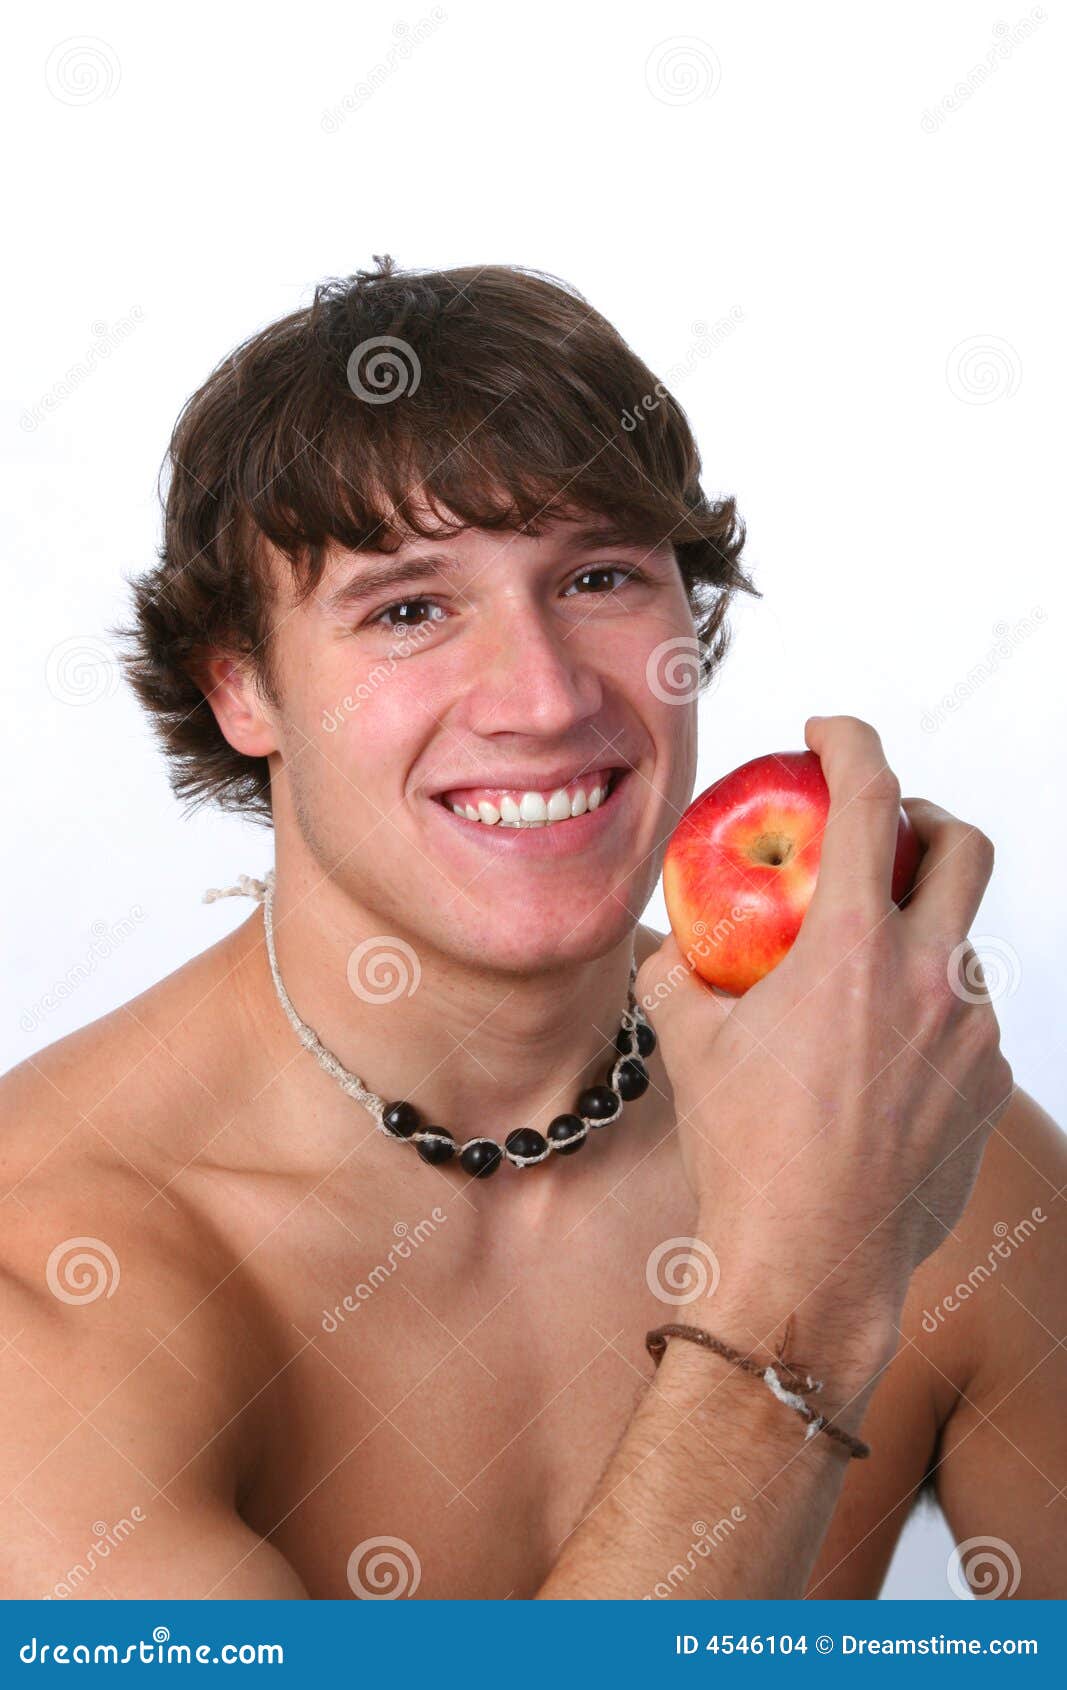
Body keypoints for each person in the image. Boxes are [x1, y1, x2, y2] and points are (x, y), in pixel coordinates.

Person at [1, 258, 1062, 1602]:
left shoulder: (922, 1144)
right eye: (409, 607)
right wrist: (796, 1289)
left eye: (602, 577)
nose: (542, 696)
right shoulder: (43, 1268)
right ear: (242, 689)